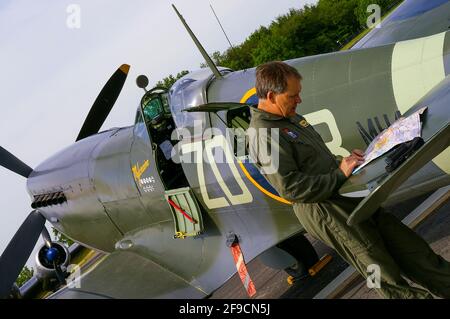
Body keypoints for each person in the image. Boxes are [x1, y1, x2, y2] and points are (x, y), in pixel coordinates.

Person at [248, 61, 450, 299]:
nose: (299, 100)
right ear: (271, 96)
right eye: (293, 96)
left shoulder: (289, 118)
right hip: (328, 213)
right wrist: (339, 174)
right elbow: (291, 189)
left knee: (414, 251)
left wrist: (343, 162)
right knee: (379, 273)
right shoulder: (263, 135)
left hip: (347, 194)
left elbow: (315, 160)